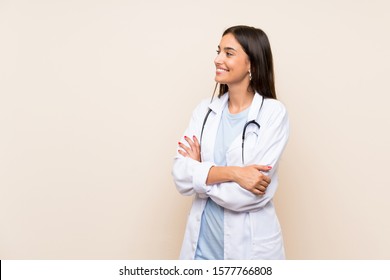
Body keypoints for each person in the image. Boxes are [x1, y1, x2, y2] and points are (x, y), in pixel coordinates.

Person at [172, 25, 289, 260]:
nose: (217, 59)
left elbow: (248, 194)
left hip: (250, 252)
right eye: (218, 51)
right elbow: (180, 175)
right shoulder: (205, 110)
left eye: (228, 53)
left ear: (252, 64)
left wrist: (201, 174)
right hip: (201, 250)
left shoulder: (273, 113)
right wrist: (235, 173)